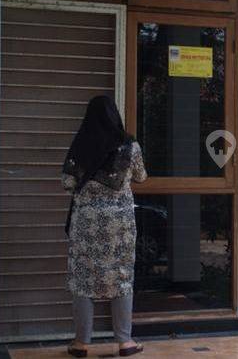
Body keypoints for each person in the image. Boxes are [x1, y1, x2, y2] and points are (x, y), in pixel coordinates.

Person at [62, 96, 147, 357]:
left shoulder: (80, 144)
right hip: (119, 226)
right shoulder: (129, 147)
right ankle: (125, 342)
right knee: (121, 277)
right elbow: (141, 177)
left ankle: (80, 344)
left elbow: (67, 182)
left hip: (86, 225)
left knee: (83, 280)